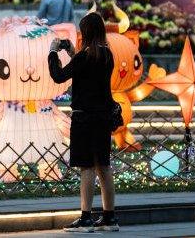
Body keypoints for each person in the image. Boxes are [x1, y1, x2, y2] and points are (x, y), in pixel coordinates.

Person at [48, 12, 119, 232]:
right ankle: (109, 218)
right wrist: (72, 53)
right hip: (103, 118)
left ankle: (86, 218)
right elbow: (86, 70)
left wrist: (52, 52)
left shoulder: (84, 57)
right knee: (103, 167)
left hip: (83, 118)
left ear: (85, 32)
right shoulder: (107, 55)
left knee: (86, 168)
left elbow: (59, 76)